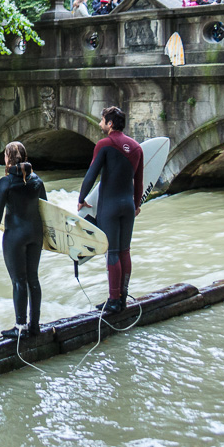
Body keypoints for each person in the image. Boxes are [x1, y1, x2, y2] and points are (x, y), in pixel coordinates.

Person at [78, 107, 144, 313]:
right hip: (128, 205)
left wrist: (81, 199)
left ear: (110, 124)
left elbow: (91, 175)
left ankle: (114, 300)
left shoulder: (104, 144)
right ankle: (123, 297)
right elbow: (139, 182)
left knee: (112, 252)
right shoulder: (136, 147)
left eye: (102, 119)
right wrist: (136, 204)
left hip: (110, 206)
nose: (100, 122)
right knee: (125, 251)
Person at [0, 141, 48, 338]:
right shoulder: (37, 180)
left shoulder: (5, 183)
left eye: (5, 155)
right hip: (35, 234)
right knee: (33, 279)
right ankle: (35, 325)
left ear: (9, 158)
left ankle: (20, 326)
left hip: (15, 236)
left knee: (19, 281)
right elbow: (46, 209)